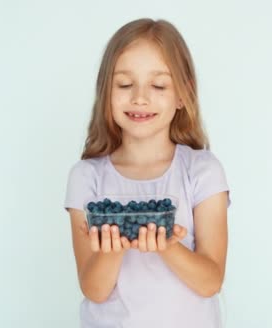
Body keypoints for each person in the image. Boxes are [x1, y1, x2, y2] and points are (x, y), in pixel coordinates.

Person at [63, 18, 231, 328]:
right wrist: (116, 246)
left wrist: (166, 244)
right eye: (125, 84)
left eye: (158, 85)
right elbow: (93, 290)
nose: (140, 97)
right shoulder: (86, 178)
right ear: (106, 92)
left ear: (182, 94)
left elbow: (211, 281)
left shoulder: (202, 171)